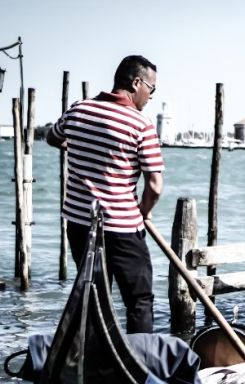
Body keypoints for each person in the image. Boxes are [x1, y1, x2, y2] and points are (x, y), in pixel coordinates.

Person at [46, 55, 164, 334]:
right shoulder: (141, 125)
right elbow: (155, 185)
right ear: (136, 83)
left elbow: (52, 138)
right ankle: (140, 356)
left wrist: (78, 148)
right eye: (151, 88)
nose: (151, 96)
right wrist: (143, 212)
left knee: (95, 297)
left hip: (79, 224)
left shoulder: (79, 110)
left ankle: (95, 355)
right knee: (139, 299)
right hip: (122, 228)